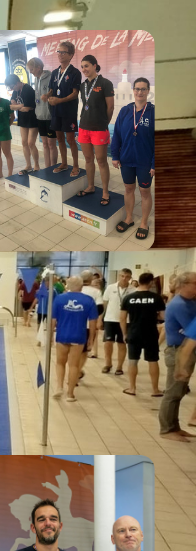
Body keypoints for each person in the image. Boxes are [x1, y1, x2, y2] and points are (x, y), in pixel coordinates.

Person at [111, 77, 155, 240]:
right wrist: (115, 155)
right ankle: (129, 218)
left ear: (148, 91)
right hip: (127, 159)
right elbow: (116, 135)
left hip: (144, 161)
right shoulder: (125, 111)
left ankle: (143, 222)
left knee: (144, 191)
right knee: (128, 189)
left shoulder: (153, 112)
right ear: (133, 90)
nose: (140, 92)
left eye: (143, 89)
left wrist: (154, 163)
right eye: (137, 89)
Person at [73, 55, 115, 206]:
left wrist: (105, 123)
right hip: (84, 127)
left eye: (87, 66)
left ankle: (105, 191)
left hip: (99, 129)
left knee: (102, 161)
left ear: (95, 66)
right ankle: (90, 186)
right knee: (88, 160)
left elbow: (110, 107)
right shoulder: (83, 85)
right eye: (82, 66)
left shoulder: (105, 83)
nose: (84, 69)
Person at [160, 272, 196, 441]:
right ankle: (167, 429)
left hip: (185, 352)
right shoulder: (179, 305)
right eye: (195, 283)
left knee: (179, 392)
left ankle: (175, 426)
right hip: (178, 352)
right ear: (184, 284)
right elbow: (191, 329)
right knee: (173, 392)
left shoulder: (190, 302)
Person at [52, 276, 98, 402]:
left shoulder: (59, 299)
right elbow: (93, 322)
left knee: (60, 363)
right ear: (81, 286)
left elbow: (53, 320)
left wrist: (50, 336)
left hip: (62, 335)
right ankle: (70, 394)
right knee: (74, 365)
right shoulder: (88, 300)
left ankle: (59, 387)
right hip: (79, 335)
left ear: (67, 286)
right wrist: (91, 339)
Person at [120, 272, 165, 397]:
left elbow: (122, 318)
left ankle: (132, 388)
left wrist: (124, 333)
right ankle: (155, 390)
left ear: (138, 281)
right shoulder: (156, 298)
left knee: (133, 361)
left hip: (134, 332)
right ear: (151, 282)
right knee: (153, 360)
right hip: (150, 333)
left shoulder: (129, 298)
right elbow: (162, 316)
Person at [47, 40, 82, 177]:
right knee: (59, 139)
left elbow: (75, 94)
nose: (60, 54)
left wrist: (59, 100)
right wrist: (47, 96)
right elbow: (51, 90)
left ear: (71, 55)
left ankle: (76, 166)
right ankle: (64, 163)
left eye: (63, 52)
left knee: (70, 139)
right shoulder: (54, 72)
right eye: (59, 51)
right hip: (56, 111)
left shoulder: (75, 72)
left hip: (68, 111)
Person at [27, 57, 57, 173]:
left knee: (51, 143)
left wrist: (48, 96)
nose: (31, 72)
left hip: (49, 116)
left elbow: (54, 93)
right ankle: (47, 167)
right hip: (39, 116)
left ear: (39, 67)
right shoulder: (36, 79)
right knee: (44, 143)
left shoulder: (50, 77)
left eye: (32, 69)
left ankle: (53, 166)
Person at [101, 268, 133, 376]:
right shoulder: (110, 288)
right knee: (108, 342)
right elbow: (105, 303)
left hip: (126, 321)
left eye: (127, 277)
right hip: (110, 319)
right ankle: (108, 363)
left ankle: (119, 367)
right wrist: (102, 317)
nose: (124, 279)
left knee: (122, 343)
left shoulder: (133, 290)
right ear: (119, 276)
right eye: (122, 276)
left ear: (130, 277)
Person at [6, 73, 39, 174]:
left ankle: (36, 165)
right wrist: (20, 106)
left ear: (17, 83)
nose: (12, 89)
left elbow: (27, 108)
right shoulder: (16, 91)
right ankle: (28, 165)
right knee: (24, 142)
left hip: (32, 119)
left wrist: (18, 106)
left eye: (12, 86)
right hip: (23, 119)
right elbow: (11, 105)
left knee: (30, 143)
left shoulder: (28, 89)